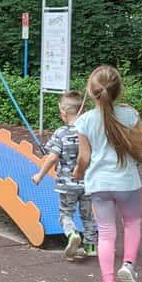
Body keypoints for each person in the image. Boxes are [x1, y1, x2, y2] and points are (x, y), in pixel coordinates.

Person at [72, 65, 142, 282]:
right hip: (126, 181)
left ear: (91, 91)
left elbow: (83, 158)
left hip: (99, 184)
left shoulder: (84, 121)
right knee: (132, 223)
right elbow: (140, 148)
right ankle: (128, 265)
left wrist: (77, 172)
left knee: (105, 233)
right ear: (119, 90)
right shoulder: (130, 115)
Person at [32, 91, 97, 260]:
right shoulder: (89, 132)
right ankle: (91, 247)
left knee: (65, 214)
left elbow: (52, 157)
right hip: (88, 184)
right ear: (81, 112)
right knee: (88, 215)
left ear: (63, 112)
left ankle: (72, 234)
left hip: (67, 184)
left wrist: (40, 175)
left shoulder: (61, 133)